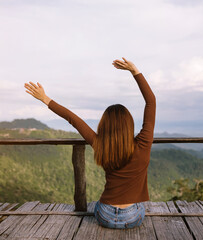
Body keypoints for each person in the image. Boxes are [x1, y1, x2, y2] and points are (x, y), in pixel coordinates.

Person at [24, 57, 156, 229]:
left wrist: (45, 98)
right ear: (129, 125)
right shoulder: (143, 144)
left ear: (104, 125)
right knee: (140, 207)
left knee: (98, 204)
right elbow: (151, 102)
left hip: (105, 215)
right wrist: (134, 71)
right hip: (132, 217)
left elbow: (73, 119)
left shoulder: (100, 144)